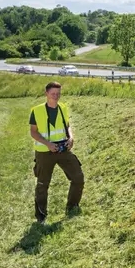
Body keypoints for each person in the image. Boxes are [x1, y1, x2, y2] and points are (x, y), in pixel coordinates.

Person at [29, 81, 85, 224]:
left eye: (58, 94)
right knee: (42, 184)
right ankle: (41, 217)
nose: (56, 96)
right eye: (53, 94)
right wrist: (48, 144)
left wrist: (71, 138)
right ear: (46, 93)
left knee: (78, 177)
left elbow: (67, 126)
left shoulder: (63, 108)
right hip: (44, 152)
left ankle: (72, 207)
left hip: (62, 150)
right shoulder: (36, 110)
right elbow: (33, 133)